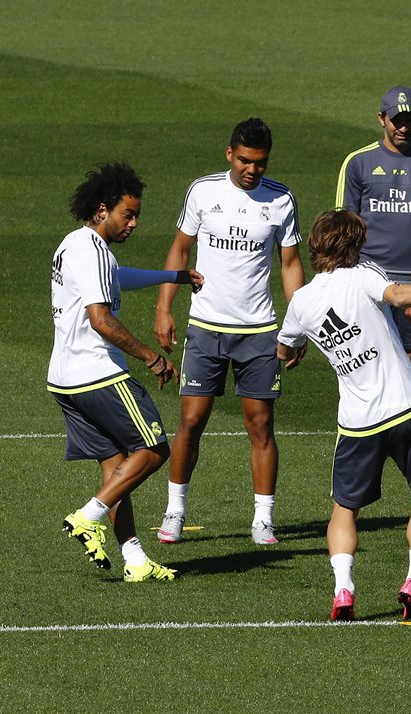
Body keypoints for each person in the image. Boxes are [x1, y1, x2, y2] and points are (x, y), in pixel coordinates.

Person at [276, 209, 411, 621]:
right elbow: (398, 296)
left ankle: (344, 590)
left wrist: (297, 350)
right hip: (406, 408)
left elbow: (284, 347)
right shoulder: (363, 274)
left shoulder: (302, 303)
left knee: (345, 509)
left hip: (356, 422)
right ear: (354, 245)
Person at [154, 118, 305, 546]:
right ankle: (175, 511)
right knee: (191, 420)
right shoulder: (203, 191)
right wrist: (165, 307)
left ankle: (263, 519)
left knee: (261, 425)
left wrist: (299, 325)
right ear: (229, 154)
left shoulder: (281, 200)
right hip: (205, 327)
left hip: (259, 331)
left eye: (259, 163)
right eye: (244, 160)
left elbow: (290, 264)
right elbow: (180, 250)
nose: (251, 170)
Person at [49, 163, 202, 583]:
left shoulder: (75, 245)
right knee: (153, 448)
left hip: (64, 378)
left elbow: (117, 279)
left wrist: (173, 277)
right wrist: (150, 357)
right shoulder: (93, 251)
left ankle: (134, 559)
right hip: (95, 373)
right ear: (102, 210)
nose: (133, 223)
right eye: (127, 214)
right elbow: (100, 318)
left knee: (117, 467)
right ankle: (87, 516)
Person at [336, 85, 411, 395]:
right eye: (397, 120)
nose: (403, 127)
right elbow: (344, 230)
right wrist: (346, 283)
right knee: (370, 361)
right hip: (370, 281)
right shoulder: (358, 163)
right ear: (381, 119)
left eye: (409, 120)